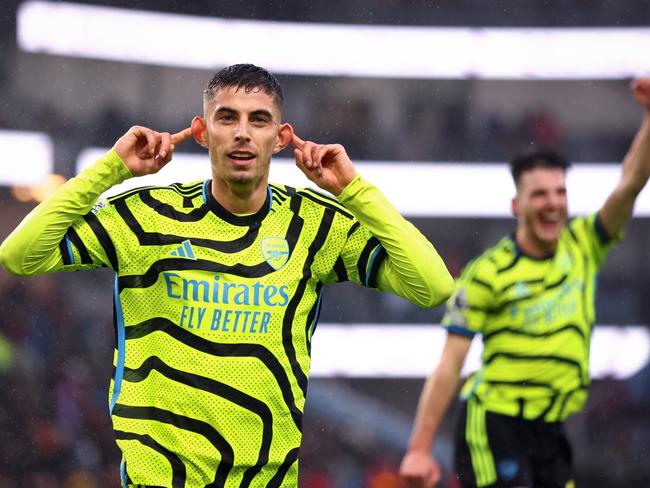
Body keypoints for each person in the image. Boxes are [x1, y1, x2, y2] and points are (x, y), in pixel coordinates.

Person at [0, 64, 453, 487]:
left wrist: (355, 191)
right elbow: (20, 256)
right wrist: (111, 169)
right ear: (202, 132)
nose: (242, 133)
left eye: (259, 119)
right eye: (226, 118)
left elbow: (433, 287)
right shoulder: (146, 216)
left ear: (280, 137)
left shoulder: (315, 225)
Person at [399, 78, 650, 488]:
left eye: (559, 192)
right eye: (539, 195)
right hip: (494, 426)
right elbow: (450, 364)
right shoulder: (487, 272)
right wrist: (420, 449)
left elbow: (631, 182)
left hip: (550, 430)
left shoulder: (586, 245)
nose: (552, 203)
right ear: (517, 205)